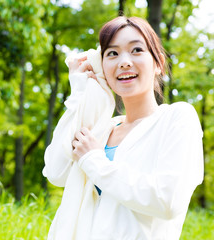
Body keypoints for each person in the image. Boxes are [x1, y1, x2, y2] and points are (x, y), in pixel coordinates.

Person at [44, 16, 203, 240]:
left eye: (136, 50)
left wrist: (94, 161)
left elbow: (168, 200)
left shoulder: (177, 118)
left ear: (157, 63)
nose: (124, 62)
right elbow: (55, 171)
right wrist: (79, 91)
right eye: (112, 53)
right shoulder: (103, 128)